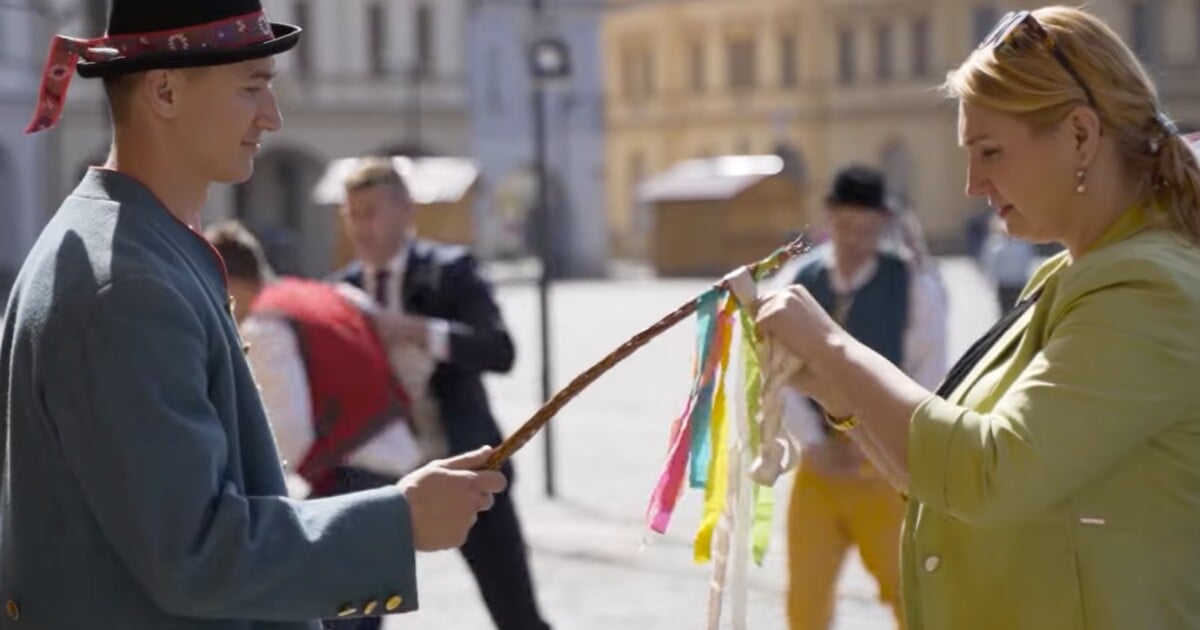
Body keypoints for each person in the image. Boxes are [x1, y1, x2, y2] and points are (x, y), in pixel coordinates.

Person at [0, 2, 506, 628]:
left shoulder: (134, 245)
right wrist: (399, 521)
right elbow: (196, 554)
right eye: (253, 87)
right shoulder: (127, 284)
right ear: (164, 91)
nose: (273, 115)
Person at [756, 7, 1200, 630]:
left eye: (990, 151)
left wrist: (833, 347)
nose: (972, 183)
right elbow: (939, 475)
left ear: (1080, 135)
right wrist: (835, 393)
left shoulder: (1146, 287)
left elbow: (990, 471)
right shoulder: (1077, 274)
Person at [330, 158, 552, 630]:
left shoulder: (452, 271)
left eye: (372, 212)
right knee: (350, 619)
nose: (361, 227)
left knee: (516, 613)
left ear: (405, 213)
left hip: (465, 464)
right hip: (375, 478)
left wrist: (413, 330)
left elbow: (498, 349)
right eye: (352, 214)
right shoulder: (339, 291)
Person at [781, 166, 946, 630]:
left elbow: (927, 370)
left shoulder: (912, 285)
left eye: (867, 229)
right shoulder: (799, 280)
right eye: (846, 226)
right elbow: (776, 371)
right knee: (805, 601)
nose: (856, 239)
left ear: (883, 223)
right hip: (818, 469)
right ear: (830, 218)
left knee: (906, 593)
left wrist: (879, 436)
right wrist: (814, 442)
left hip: (883, 470)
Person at [206, 221, 429, 503]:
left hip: (354, 477)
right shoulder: (335, 294)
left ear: (228, 283)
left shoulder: (264, 326)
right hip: (401, 463)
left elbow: (287, 440)